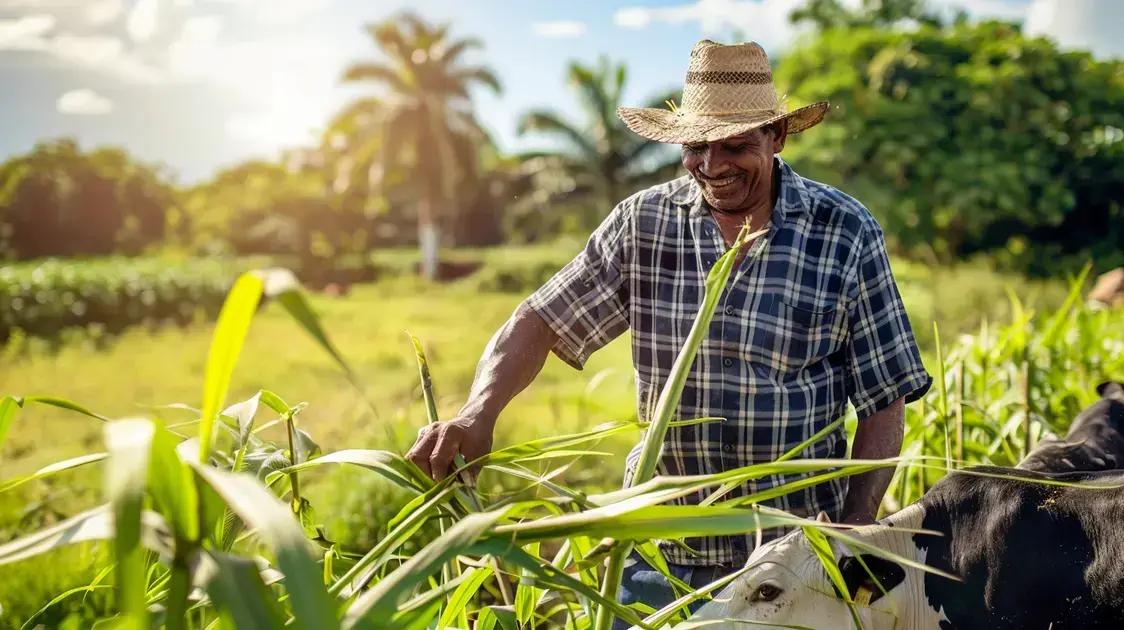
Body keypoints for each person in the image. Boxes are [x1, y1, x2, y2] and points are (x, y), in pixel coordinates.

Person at [406, 39, 932, 623]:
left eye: (735, 145)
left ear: (778, 137)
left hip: (794, 560)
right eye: (695, 146)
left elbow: (885, 399)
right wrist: (478, 413)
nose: (712, 165)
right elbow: (539, 320)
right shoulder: (644, 224)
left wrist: (852, 528)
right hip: (661, 552)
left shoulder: (845, 232)